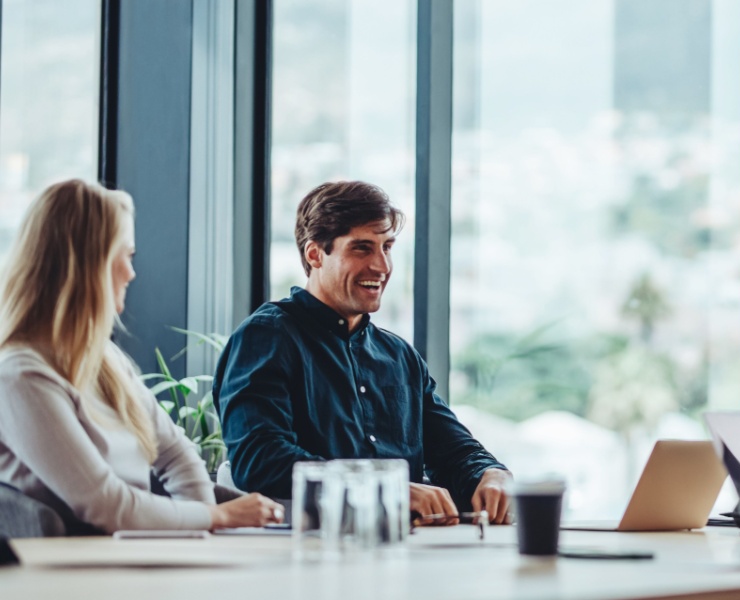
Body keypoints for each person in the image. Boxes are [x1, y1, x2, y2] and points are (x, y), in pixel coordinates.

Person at [215, 181, 512, 524]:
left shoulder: (399, 356)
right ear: (315, 254)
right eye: (362, 249)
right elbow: (260, 460)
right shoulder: (267, 337)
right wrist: (386, 488)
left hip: (407, 552)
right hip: (304, 554)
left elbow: (454, 450)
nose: (382, 266)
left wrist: (491, 473)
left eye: (387, 247)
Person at [0, 179, 283, 533]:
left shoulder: (104, 359)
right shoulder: (19, 376)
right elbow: (105, 504)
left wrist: (201, 531)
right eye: (127, 255)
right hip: (72, 572)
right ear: (92, 265)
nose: (132, 273)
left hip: (128, 554)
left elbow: (176, 454)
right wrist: (217, 516)